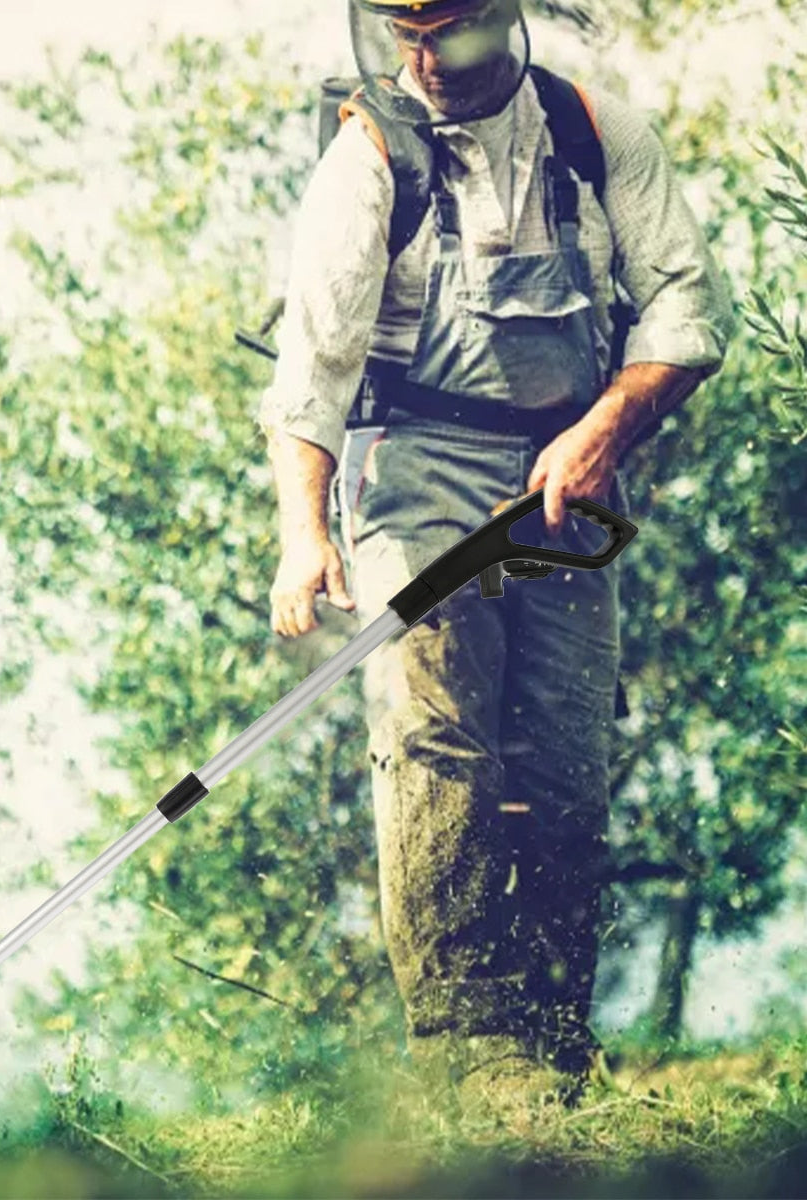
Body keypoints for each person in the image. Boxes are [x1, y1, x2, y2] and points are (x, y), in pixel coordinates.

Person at [257, 0, 733, 1106]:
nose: (428, 60)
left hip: (564, 476)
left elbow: (684, 306)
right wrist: (302, 535)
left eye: (453, 30)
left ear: (507, 22)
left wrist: (609, 426)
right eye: (405, 34)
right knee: (435, 734)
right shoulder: (369, 156)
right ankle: (470, 1051)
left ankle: (557, 1045)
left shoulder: (596, 133)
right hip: (416, 469)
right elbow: (312, 367)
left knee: (563, 763)